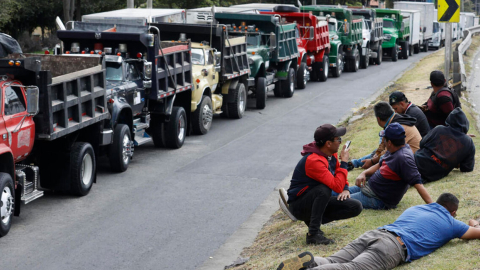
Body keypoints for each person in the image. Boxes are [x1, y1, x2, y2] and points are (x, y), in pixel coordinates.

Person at [277, 193, 480, 270]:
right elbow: (476, 232)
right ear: (452, 212)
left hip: (376, 233)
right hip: (393, 247)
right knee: (351, 269)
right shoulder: (451, 222)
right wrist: (474, 222)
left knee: (334, 260)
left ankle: (311, 261)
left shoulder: (418, 208)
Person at [282, 124, 363, 245]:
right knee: (323, 189)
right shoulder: (314, 160)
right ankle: (313, 234)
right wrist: (344, 163)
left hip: (315, 200)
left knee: (355, 206)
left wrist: (346, 188)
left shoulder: (331, 154)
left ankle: (314, 221)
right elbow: (336, 186)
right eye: (338, 139)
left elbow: (338, 178)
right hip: (299, 206)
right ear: (328, 144)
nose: (340, 142)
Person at [346, 123, 432, 209]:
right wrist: (364, 173)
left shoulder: (404, 158)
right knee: (339, 191)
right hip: (368, 189)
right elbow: (380, 164)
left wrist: (434, 207)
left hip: (377, 199)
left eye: (384, 139)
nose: (383, 142)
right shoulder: (394, 150)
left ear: (389, 142)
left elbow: (418, 184)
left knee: (339, 201)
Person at [350, 102, 422, 169]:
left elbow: (389, 151)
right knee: (376, 153)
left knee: (382, 158)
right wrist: (378, 152)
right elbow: (384, 142)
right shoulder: (393, 120)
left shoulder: (397, 126)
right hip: (403, 153)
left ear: (378, 119)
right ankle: (353, 163)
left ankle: (370, 173)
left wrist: (373, 161)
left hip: (412, 159)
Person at [415, 107, 475, 182]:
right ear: (466, 123)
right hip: (433, 174)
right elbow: (467, 168)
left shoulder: (439, 129)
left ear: (449, 120)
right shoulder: (469, 143)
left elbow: (421, 144)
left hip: (416, 162)